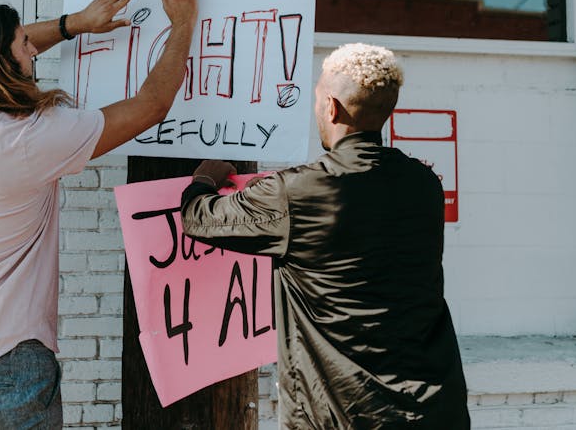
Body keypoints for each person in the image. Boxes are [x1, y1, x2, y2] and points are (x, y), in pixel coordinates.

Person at [0, 0, 199, 429]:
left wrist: (76, 24)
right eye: (23, 44)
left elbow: (8, 51)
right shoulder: (29, 140)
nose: (33, 48)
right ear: (0, 65)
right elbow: (152, 105)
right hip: (4, 373)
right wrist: (183, 23)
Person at [180, 43, 470, 430]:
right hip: (434, 408)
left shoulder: (296, 192)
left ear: (331, 107)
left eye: (316, 96)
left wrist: (204, 179)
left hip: (342, 412)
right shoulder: (425, 185)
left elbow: (199, 219)